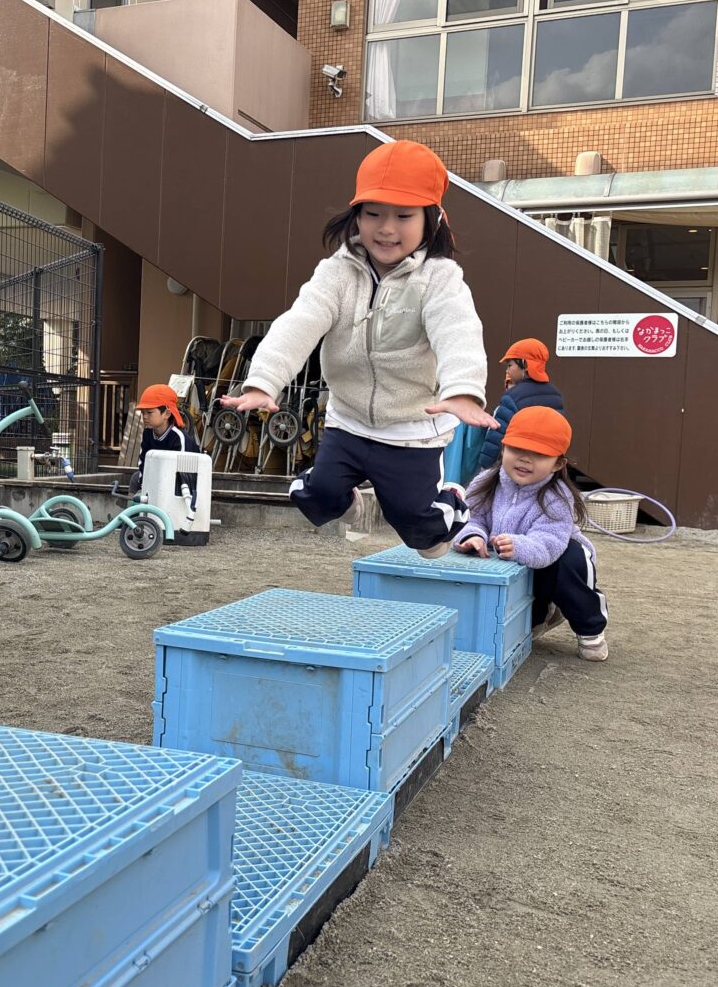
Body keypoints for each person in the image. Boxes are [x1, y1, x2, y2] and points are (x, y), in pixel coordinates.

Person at [219, 139, 496, 558]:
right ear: (356, 216)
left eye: (403, 216)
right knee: (316, 497)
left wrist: (462, 390)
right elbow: (299, 322)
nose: (386, 228)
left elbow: (457, 330)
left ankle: (451, 503)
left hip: (409, 428)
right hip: (348, 421)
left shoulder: (439, 279)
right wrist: (263, 382)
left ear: (432, 219)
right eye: (373, 213)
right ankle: (352, 503)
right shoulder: (337, 273)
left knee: (422, 532)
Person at [453, 406, 609, 662]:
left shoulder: (556, 496)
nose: (525, 460)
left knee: (570, 562)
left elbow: (549, 543)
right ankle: (541, 615)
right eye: (517, 449)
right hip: (510, 563)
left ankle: (590, 629)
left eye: (539, 454)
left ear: (558, 463)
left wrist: (518, 545)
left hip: (554, 561)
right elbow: (471, 516)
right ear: (503, 448)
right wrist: (473, 536)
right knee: (525, 620)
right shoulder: (485, 481)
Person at [476, 338, 565, 472]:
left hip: (516, 465)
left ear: (525, 364)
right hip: (543, 465)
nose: (507, 371)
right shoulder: (556, 395)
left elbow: (497, 435)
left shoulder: (514, 396)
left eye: (509, 365)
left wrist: (486, 464)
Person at [132, 383, 199, 495]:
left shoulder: (178, 437)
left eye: (149, 412)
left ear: (167, 414)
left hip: (181, 487)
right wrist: (144, 485)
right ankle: (133, 505)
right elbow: (143, 462)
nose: (145, 416)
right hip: (157, 479)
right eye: (143, 412)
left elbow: (182, 472)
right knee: (135, 478)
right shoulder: (147, 434)